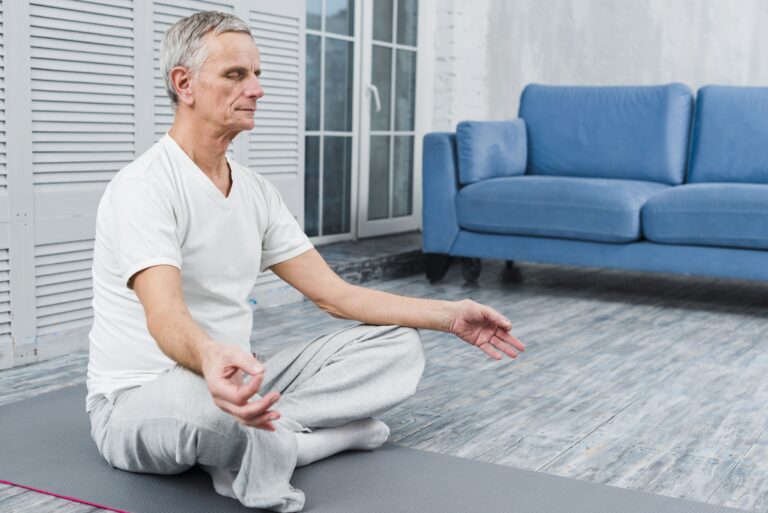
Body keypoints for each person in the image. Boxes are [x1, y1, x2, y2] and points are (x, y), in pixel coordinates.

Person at [85, 10, 525, 513]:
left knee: (397, 345)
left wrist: (450, 318)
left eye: (257, 74)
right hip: (142, 400)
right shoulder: (144, 188)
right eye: (236, 75)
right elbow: (165, 316)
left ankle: (258, 445)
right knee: (208, 411)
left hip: (238, 381)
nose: (257, 89)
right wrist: (209, 359)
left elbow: (335, 296)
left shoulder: (256, 192)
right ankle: (309, 443)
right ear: (183, 83)